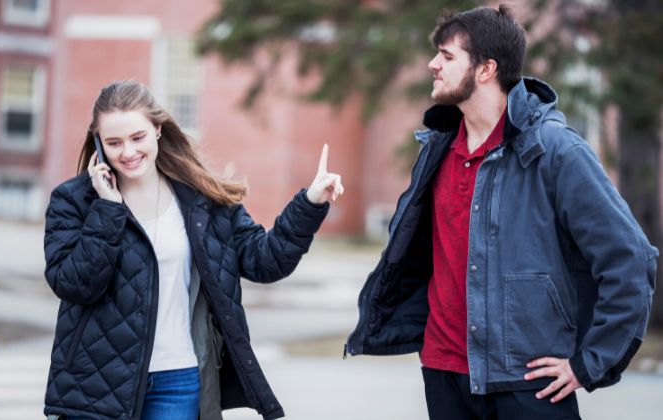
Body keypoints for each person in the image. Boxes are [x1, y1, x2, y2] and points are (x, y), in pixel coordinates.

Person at [345, 5, 656, 419]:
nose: (432, 64)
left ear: (486, 69)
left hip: (527, 381)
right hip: (443, 372)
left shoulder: (554, 149)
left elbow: (629, 258)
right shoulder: (437, 149)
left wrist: (588, 363)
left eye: (447, 56)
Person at [43, 80, 344, 420]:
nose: (127, 152)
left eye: (137, 137)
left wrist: (310, 203)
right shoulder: (74, 201)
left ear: (157, 129)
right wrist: (108, 210)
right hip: (97, 385)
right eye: (114, 142)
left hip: (178, 380)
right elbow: (73, 284)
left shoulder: (202, 199)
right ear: (98, 142)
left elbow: (265, 260)